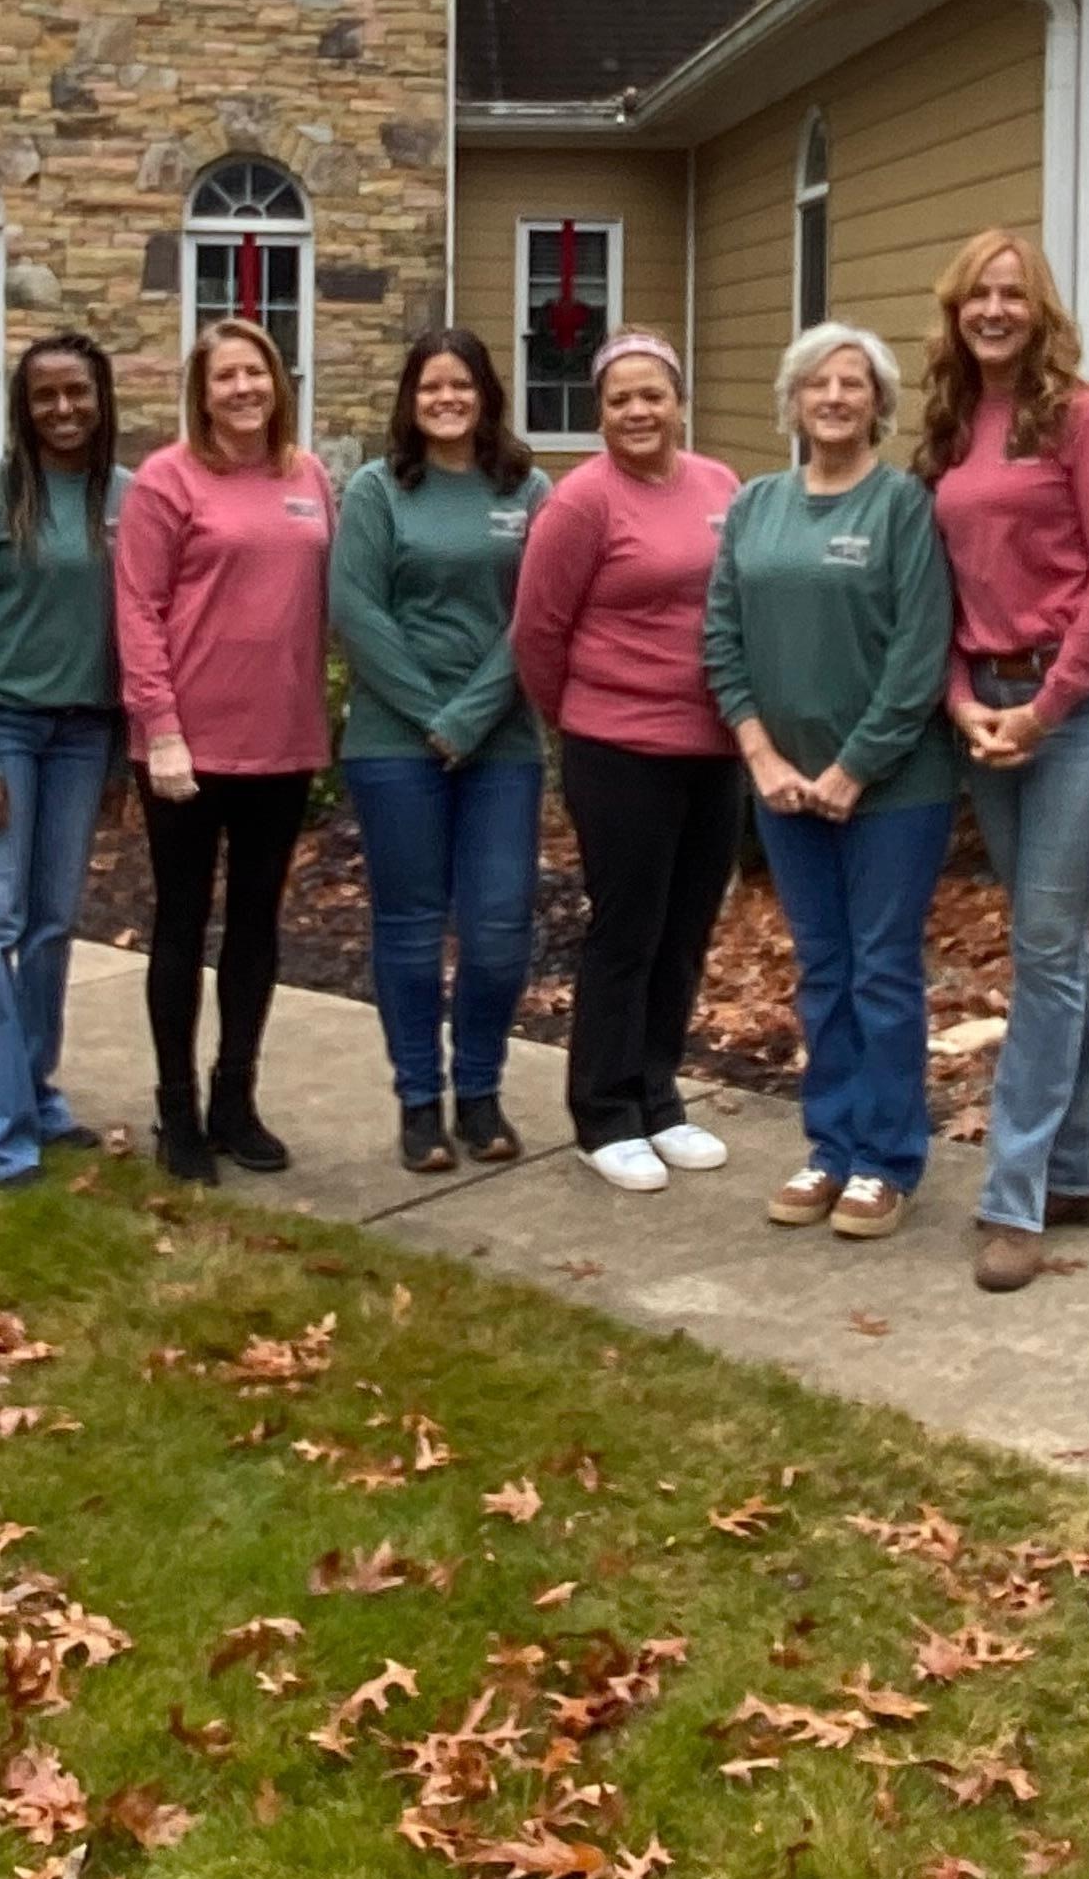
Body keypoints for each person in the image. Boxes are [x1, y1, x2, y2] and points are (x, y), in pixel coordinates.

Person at [916, 227, 1089, 1293]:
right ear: (956, 311)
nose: (995, 311)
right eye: (978, 294)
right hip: (994, 707)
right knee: (1057, 946)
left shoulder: (1088, 419)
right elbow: (943, 590)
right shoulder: (951, 427)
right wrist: (964, 701)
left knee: (1046, 946)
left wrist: (1047, 708)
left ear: (1042, 310)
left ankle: (1014, 1198)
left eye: (1013, 294)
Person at [705, 321, 957, 1245]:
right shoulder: (756, 506)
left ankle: (887, 1160)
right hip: (784, 790)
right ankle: (830, 1145)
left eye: (853, 383)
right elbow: (722, 639)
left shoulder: (903, 508)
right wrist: (762, 757)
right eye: (818, 383)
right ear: (793, 401)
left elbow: (919, 653)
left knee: (881, 970)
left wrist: (855, 768)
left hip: (894, 790)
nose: (835, 398)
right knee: (822, 969)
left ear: (879, 402)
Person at [510, 329, 742, 1192]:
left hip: (714, 748)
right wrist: (579, 718)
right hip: (619, 750)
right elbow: (538, 632)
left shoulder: (721, 487)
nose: (638, 411)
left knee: (685, 931)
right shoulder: (581, 503)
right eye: (619, 400)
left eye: (653, 395)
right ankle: (603, 1112)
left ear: (680, 402)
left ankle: (658, 1096)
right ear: (599, 413)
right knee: (627, 931)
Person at [112, 316, 334, 1184]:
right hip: (186, 748)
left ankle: (235, 1099)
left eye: (256, 373)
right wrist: (161, 728)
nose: (243, 389)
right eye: (225, 377)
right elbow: (138, 610)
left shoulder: (306, 476)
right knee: (180, 922)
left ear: (278, 383)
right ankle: (177, 1112)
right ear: (201, 395)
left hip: (282, 740)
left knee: (255, 924)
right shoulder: (167, 481)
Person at [332, 328, 551, 1175]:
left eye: (462, 385)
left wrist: (470, 717)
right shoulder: (379, 490)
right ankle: (419, 1103)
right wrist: (434, 716)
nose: (447, 399)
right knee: (411, 929)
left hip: (502, 744)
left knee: (498, 929)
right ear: (410, 399)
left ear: (486, 394)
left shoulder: (528, 490)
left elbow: (535, 615)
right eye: (431, 387)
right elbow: (357, 612)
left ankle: (481, 1091)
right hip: (395, 744)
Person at [0, 331, 129, 1189]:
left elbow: (139, 630)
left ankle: (37, 1094)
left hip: (84, 736)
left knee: (52, 925)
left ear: (102, 397)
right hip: (4, 731)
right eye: (45, 394)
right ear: (23, 406)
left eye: (77, 391)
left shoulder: (126, 499)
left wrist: (122, 756)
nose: (63, 408)